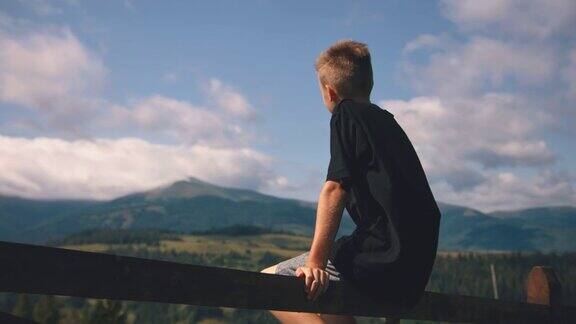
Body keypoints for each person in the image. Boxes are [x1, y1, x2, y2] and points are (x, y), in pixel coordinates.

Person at [261, 40, 441, 324]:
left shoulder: (345, 113)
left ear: (329, 92)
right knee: (330, 300)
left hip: (380, 253)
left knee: (270, 282)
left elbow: (334, 188)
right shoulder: (389, 123)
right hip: (414, 264)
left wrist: (316, 263)